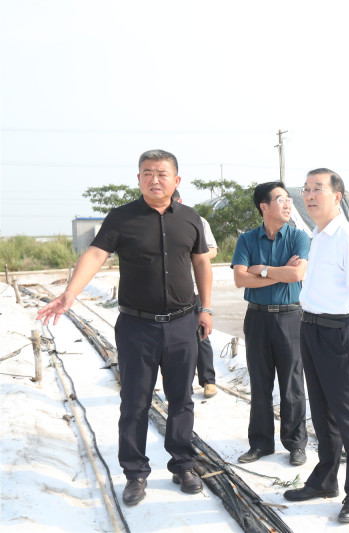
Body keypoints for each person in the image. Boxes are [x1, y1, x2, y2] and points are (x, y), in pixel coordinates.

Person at [36, 149, 213, 506]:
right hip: (137, 326)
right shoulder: (121, 217)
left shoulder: (191, 218)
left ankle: (182, 465)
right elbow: (95, 255)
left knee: (181, 399)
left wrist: (205, 308)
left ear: (176, 180)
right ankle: (135, 473)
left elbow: (201, 263)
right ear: (138, 179)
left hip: (182, 323)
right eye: (147, 173)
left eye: (162, 173)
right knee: (135, 401)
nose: (154, 179)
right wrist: (70, 293)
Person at [283, 168, 349, 524]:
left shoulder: (348, 237)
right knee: (322, 412)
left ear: (337, 196)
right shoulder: (318, 234)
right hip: (311, 328)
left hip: (339, 332)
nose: (309, 195)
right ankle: (325, 480)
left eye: (317, 189)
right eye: (306, 189)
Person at [231, 182, 310, 467]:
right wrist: (282, 273)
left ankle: (296, 444)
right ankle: (261, 444)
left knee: (292, 384)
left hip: (291, 317)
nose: (288, 204)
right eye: (281, 199)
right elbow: (240, 279)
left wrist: (263, 271)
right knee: (260, 382)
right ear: (264, 206)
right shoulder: (247, 240)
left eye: (289, 199)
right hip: (257, 318)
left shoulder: (299, 237)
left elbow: (297, 274)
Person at [173, 189, 218, 398]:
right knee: (176, 341)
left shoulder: (197, 221)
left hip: (193, 288)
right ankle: (184, 385)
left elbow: (213, 250)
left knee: (201, 335)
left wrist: (191, 255)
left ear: (180, 201)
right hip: (171, 292)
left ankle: (208, 380)